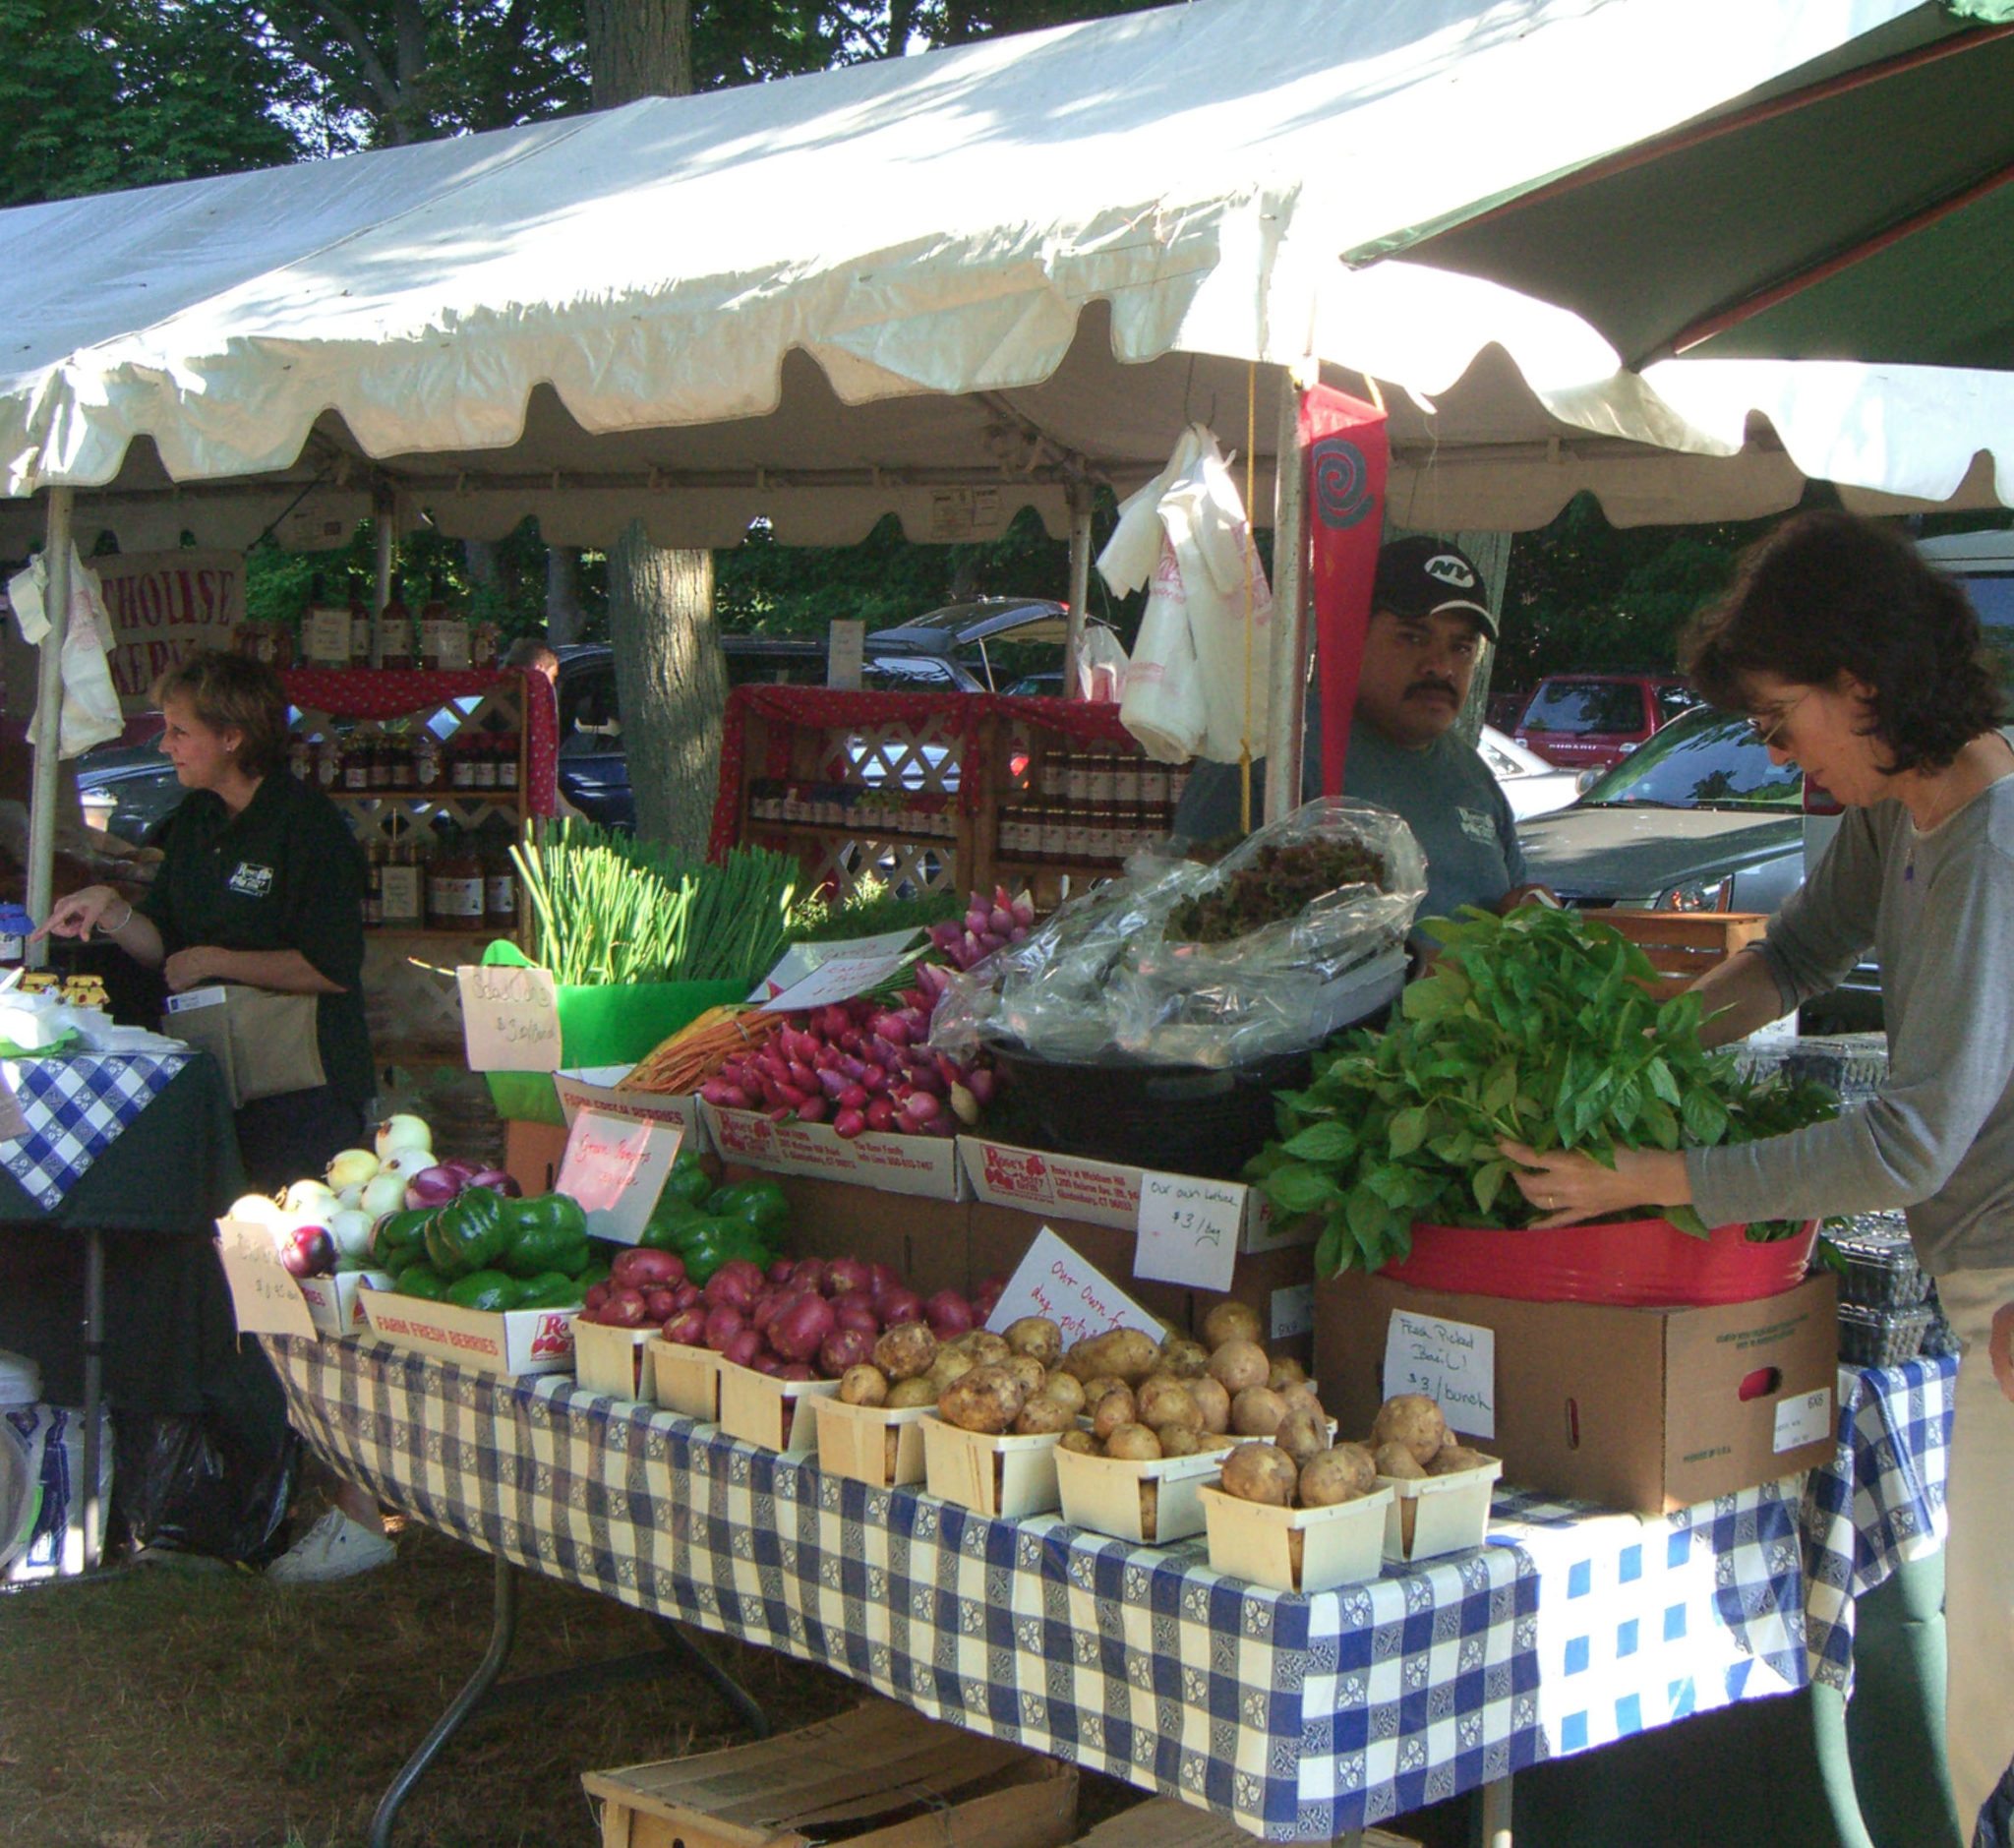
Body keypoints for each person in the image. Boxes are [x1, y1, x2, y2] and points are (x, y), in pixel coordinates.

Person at [1497, 510, 2014, 1843]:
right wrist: (1633, 1046)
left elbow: (1909, 1142)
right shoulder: (1905, 814)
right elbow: (1788, 958)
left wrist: (1652, 1173)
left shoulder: (1988, 846)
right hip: (1984, 1295)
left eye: (1786, 720)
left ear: (1863, 681)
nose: (1780, 753)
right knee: (1987, 1713)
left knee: (1996, 1723)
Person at [35, 651, 393, 1583]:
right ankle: (259, 1496)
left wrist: (221, 958)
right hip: (226, 1081)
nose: (166, 743)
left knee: (317, 1292)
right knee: (247, 1286)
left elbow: (329, 967)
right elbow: (165, 947)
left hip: (305, 1090)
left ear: (234, 736)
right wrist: (114, 914)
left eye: (181, 729)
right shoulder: (194, 821)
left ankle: (358, 1510)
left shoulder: (307, 829)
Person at [1173, 536, 1541, 921]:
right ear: (1351, 640)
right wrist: (1407, 965)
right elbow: (1191, 924)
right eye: (1413, 637)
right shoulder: (1270, 752)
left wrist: (1528, 910)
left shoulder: (1474, 776)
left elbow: (1513, 899)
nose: (1441, 666)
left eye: (1461, 648)